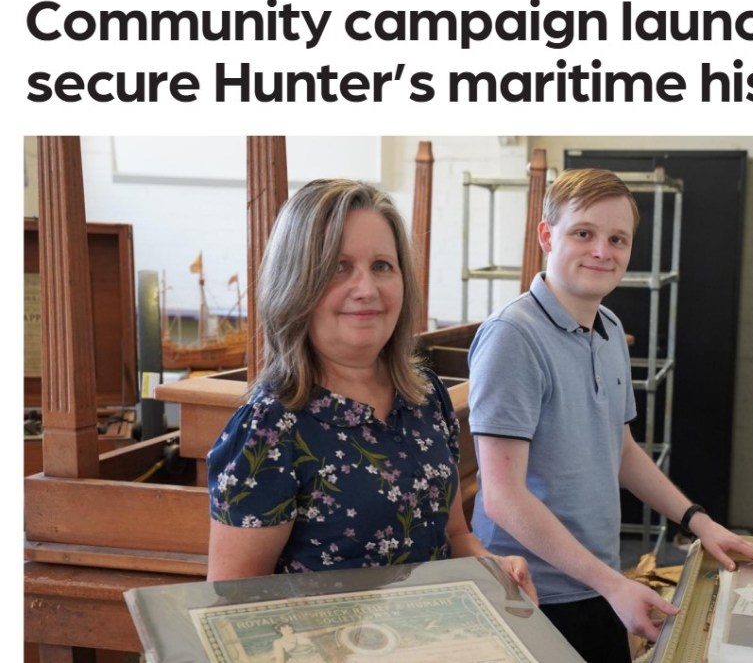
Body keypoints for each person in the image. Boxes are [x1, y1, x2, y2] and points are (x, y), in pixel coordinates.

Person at [468, 168, 753, 661]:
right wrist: (612, 584)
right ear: (547, 235)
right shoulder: (514, 337)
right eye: (584, 233)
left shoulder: (609, 327)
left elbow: (621, 451)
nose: (602, 251)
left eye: (618, 239)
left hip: (597, 580)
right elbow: (503, 499)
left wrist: (700, 522)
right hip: (531, 593)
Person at [206, 178, 536, 605]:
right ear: (296, 282)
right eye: (338, 267)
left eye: (382, 266)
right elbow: (235, 607)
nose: (367, 289)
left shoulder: (425, 397)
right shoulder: (270, 426)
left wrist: (494, 569)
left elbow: (453, 534)